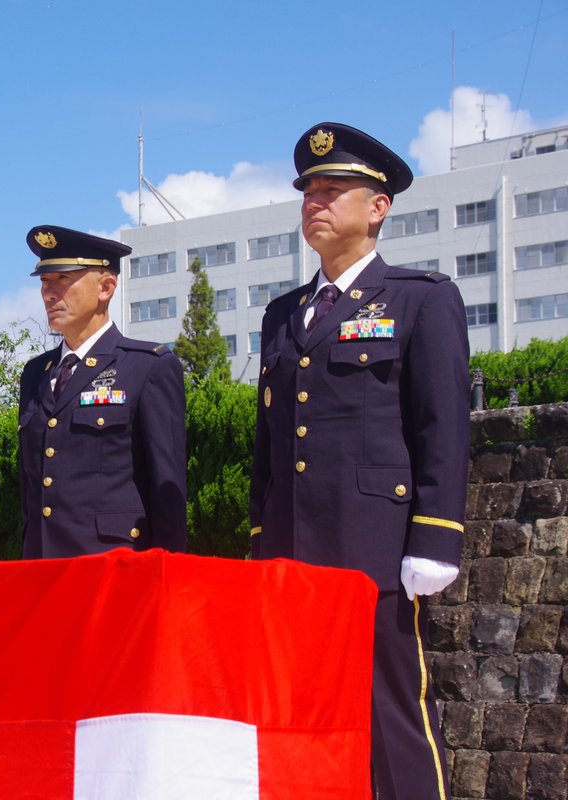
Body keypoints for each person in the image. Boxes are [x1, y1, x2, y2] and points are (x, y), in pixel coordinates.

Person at [249, 122, 469, 800]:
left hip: (375, 553)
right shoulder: (284, 316)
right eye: (309, 190)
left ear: (378, 207)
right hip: (294, 555)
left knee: (391, 711)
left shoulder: (420, 299)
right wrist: (262, 545)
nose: (315, 201)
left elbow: (443, 427)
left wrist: (433, 539)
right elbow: (270, 445)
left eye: (332, 188)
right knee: (301, 717)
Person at [18, 224, 187, 559]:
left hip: (114, 567)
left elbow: (167, 492)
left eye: (63, 280)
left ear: (106, 287)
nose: (49, 293)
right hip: (42, 567)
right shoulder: (36, 374)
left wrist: (168, 575)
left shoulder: (147, 367)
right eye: (44, 281)